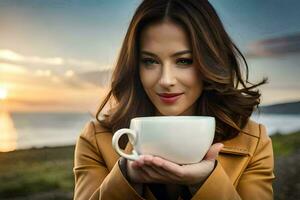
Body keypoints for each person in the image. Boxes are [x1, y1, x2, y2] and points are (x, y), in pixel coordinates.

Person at [73, 0, 275, 199]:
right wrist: (126, 177)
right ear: (135, 66)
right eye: (150, 61)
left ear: (211, 63)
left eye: (184, 61)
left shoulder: (254, 142)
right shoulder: (96, 140)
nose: (166, 80)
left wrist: (206, 183)